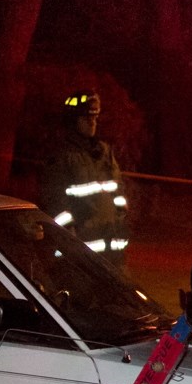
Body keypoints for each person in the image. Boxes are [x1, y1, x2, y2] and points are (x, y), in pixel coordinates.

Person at [40, 90, 130, 267]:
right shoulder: (61, 157)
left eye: (95, 117)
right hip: (80, 253)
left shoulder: (104, 153)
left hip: (113, 249)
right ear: (73, 122)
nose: (92, 122)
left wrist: (121, 221)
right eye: (86, 118)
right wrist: (69, 238)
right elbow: (56, 203)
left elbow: (118, 191)